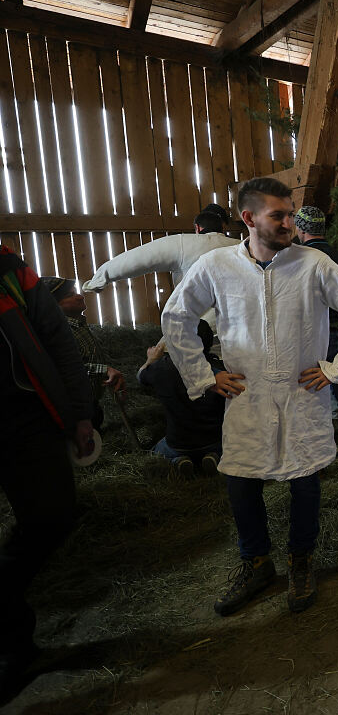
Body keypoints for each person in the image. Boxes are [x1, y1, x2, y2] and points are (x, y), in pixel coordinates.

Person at [161, 177, 338, 616]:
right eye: (278, 215)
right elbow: (176, 316)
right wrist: (203, 376)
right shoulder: (217, 266)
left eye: (291, 214)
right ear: (249, 218)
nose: (289, 223)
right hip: (247, 395)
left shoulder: (313, 263)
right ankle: (255, 563)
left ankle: (301, 560)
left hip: (301, 394)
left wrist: (337, 369)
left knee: (305, 480)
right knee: (240, 481)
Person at [0, 245, 93, 706]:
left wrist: (79, 413)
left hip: (23, 414)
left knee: (52, 517)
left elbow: (58, 340)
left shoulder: (9, 267)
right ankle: (12, 647)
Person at [295, 205, 338, 462]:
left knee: (308, 390)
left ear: (300, 229)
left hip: (313, 335)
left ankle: (314, 447)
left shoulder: (301, 260)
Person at [83, 204, 239, 293]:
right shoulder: (241, 246)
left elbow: (137, 259)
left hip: (194, 326)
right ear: (222, 227)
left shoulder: (183, 243)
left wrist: (99, 279)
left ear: (197, 228)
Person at [136, 328, 225, 477]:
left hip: (178, 443)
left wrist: (150, 360)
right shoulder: (220, 371)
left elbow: (140, 377)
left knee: (154, 452)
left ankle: (177, 461)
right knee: (228, 444)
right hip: (213, 439)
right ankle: (215, 456)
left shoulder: (161, 368)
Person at [42, 277, 125, 427]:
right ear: (53, 305)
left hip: (90, 401)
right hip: (74, 408)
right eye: (69, 295)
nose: (80, 296)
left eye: (76, 292)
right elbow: (65, 369)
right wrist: (104, 370)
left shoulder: (79, 325)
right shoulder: (58, 333)